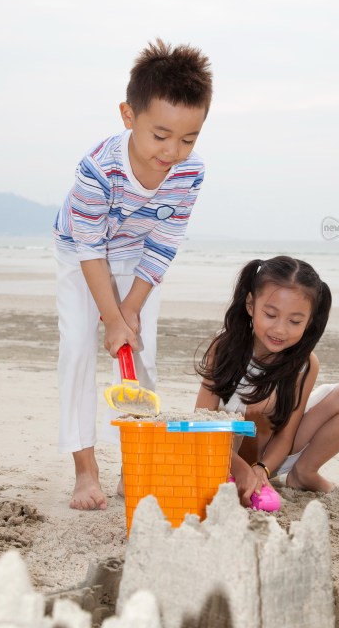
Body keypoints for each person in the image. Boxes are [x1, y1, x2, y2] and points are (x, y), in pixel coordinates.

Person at [54, 38, 212, 510]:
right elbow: (88, 248)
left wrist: (129, 312)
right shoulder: (98, 169)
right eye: (160, 135)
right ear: (129, 115)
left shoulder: (191, 173)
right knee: (79, 348)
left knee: (143, 359)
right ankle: (85, 470)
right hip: (80, 254)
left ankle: (135, 463)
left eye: (188, 139)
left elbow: (163, 245)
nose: (172, 152)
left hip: (137, 259)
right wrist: (109, 317)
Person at [195, 256, 339, 507]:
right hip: (222, 455)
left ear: (309, 321)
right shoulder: (224, 348)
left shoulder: (305, 364)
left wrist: (262, 469)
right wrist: (242, 469)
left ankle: (304, 473)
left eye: (295, 321)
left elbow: (286, 435)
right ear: (250, 305)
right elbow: (201, 423)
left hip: (271, 459)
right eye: (270, 314)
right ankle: (235, 476)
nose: (280, 330)